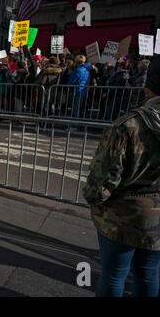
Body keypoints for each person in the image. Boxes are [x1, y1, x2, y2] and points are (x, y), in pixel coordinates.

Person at [83, 55, 160, 297]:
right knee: (148, 274)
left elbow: (101, 182)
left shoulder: (129, 126)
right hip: (157, 222)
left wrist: (95, 199)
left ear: (148, 87)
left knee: (114, 275)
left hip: (122, 218)